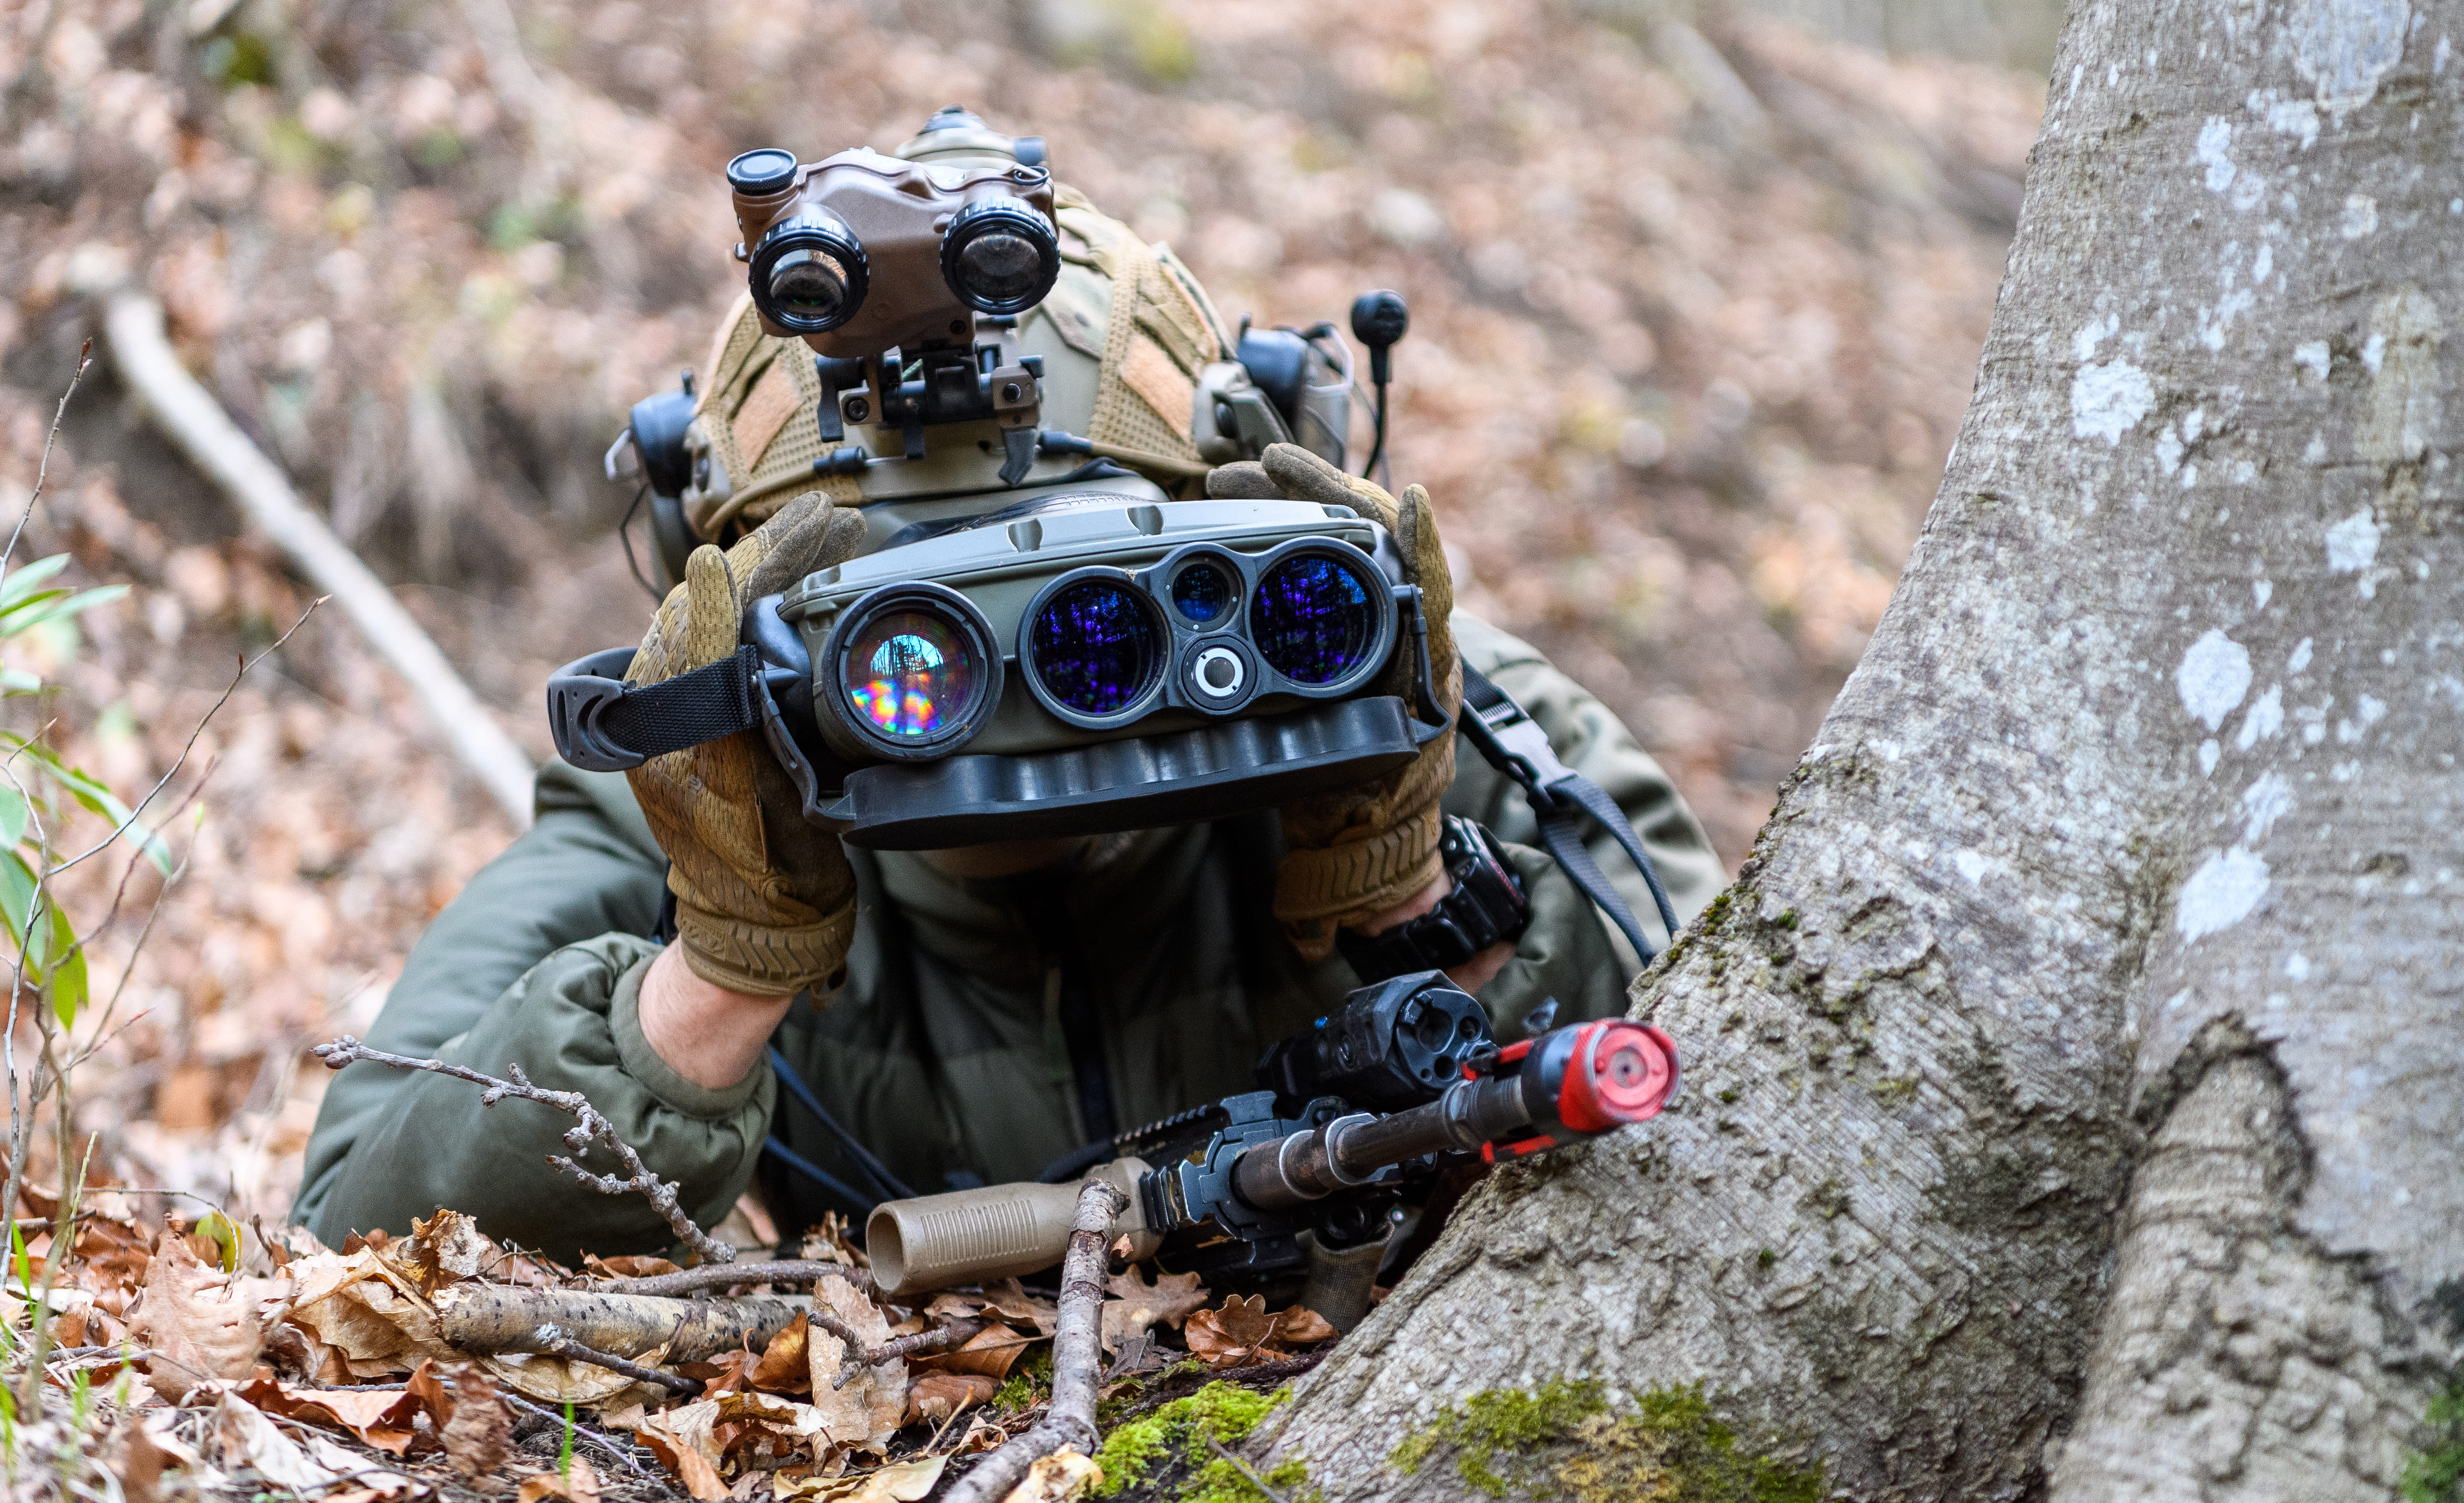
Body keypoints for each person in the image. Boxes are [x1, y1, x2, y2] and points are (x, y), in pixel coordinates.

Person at [293, 111, 1726, 1257]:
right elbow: (356, 1225)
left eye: (1083, 602)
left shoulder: (1377, 676)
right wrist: (719, 972)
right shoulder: (691, 797)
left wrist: (1408, 889)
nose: (1009, 702)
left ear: (1239, 536)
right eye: (900, 641)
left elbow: (1729, 1080)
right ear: (727, 611)